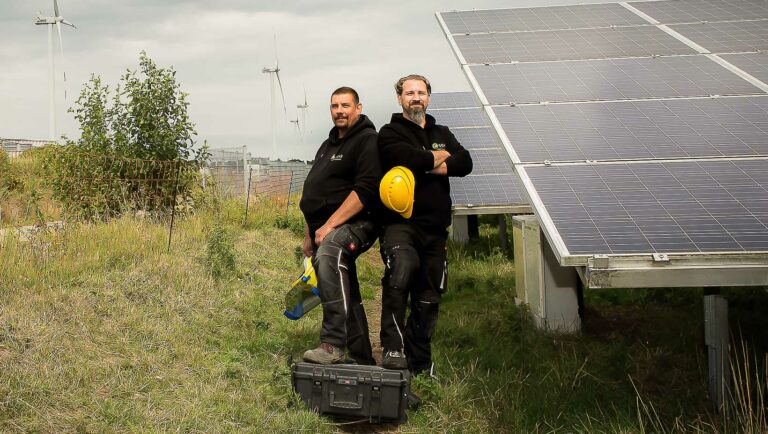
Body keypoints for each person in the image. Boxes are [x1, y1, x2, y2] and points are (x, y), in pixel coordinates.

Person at [377, 74, 473, 376]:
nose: (415, 97)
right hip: (400, 224)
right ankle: (393, 348)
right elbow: (403, 158)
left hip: (435, 229)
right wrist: (440, 158)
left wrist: (430, 162)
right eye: (409, 93)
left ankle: (420, 362)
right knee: (400, 272)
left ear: (428, 97)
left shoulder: (441, 130)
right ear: (399, 98)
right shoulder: (390, 132)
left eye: (420, 92)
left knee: (429, 296)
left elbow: (466, 162)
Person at [299, 86, 381, 365]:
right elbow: (315, 192)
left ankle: (332, 345)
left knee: (330, 255)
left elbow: (365, 190)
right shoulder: (328, 144)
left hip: (359, 223)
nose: (339, 111)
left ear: (358, 107)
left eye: (345, 105)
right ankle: (362, 357)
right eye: (334, 106)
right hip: (326, 227)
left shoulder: (368, 140)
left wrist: (328, 227)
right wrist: (311, 232)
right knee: (346, 286)